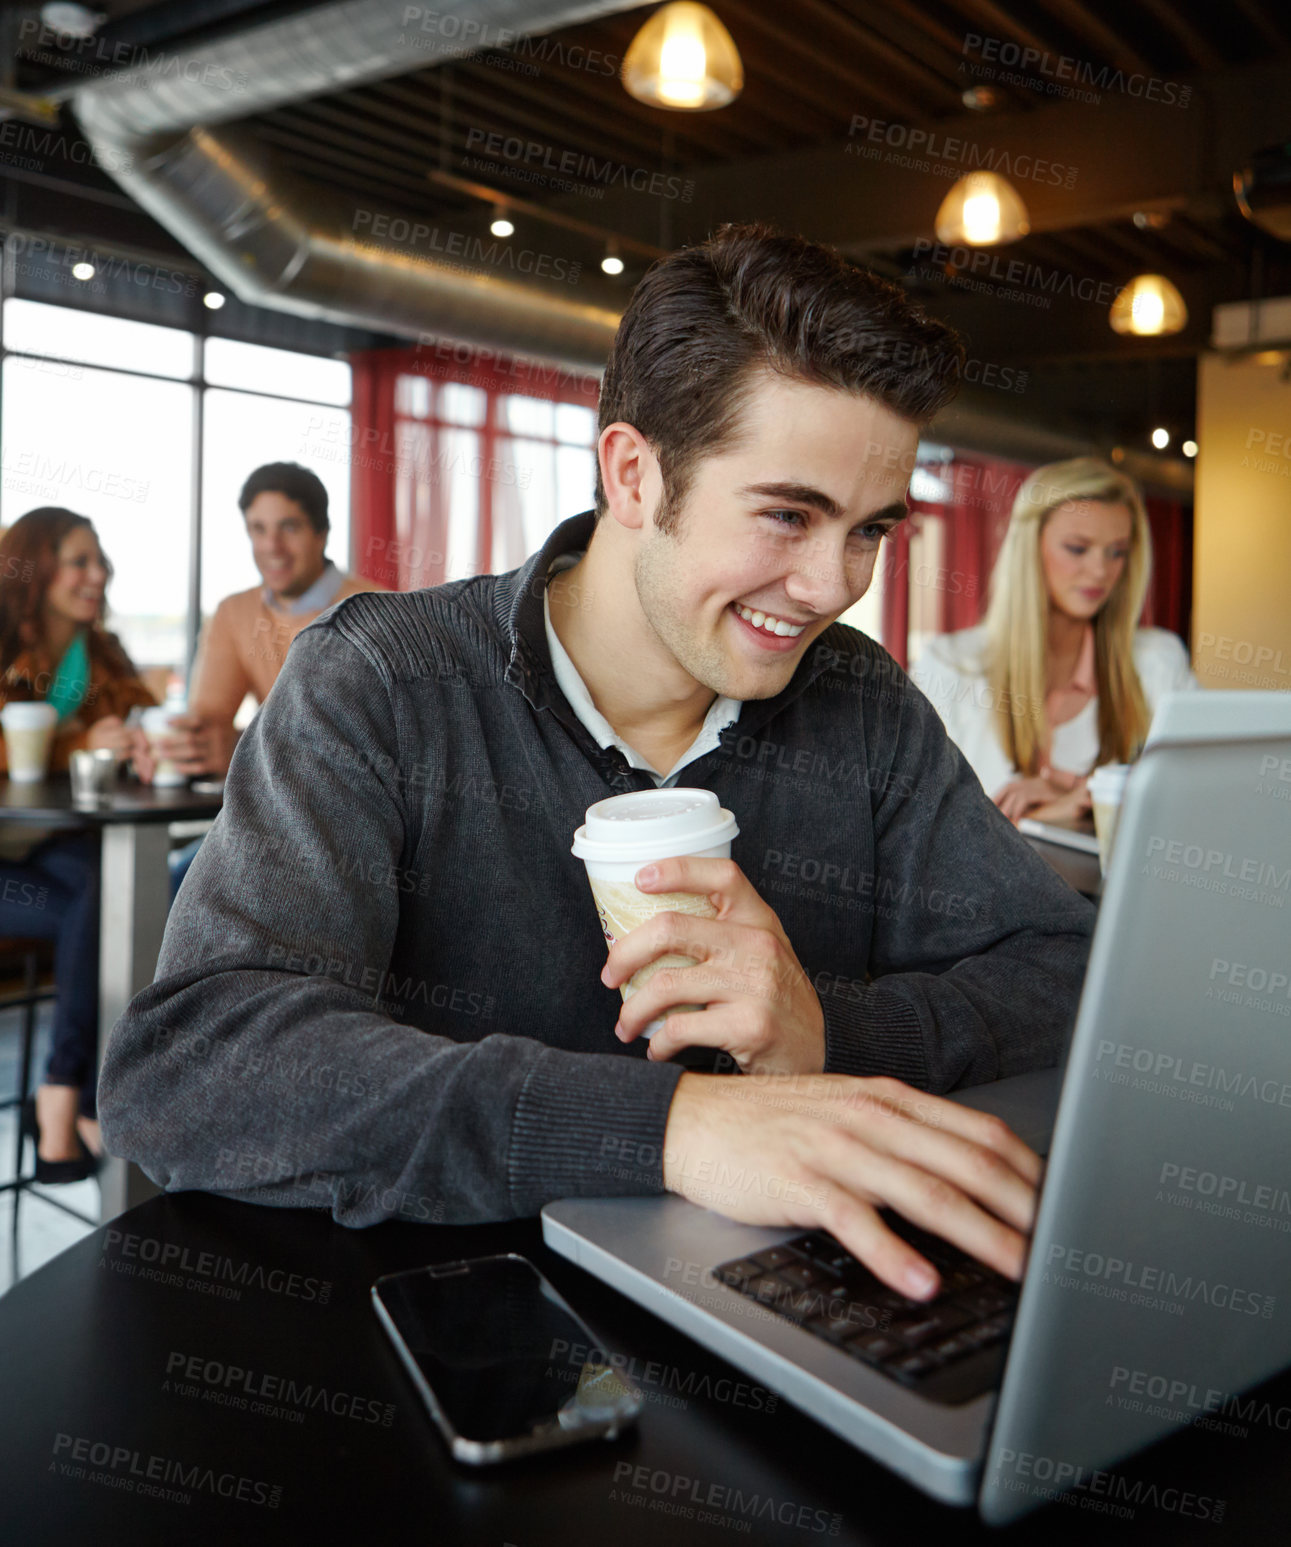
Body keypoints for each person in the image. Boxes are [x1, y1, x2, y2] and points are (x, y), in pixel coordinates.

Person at [101, 226, 1094, 1302]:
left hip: (778, 1331)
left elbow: (1064, 973)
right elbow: (196, 1067)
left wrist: (826, 1032)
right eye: (786, 515)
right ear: (632, 472)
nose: (827, 584)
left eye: (868, 531)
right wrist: (672, 1125)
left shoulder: (858, 704)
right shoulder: (381, 682)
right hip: (435, 1344)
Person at [910, 458, 1197, 825]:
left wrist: (1082, 797)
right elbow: (917, 825)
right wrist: (1046, 817)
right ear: (1030, 548)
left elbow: (1201, 795)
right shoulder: (949, 666)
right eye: (1078, 548)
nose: (1100, 571)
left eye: (1117, 552)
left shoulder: (1157, 661)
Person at [0, 507, 155, 1180]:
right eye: (79, 560)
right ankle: (78, 1096)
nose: (99, 574)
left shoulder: (100, 656)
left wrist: (146, 741)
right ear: (37, 570)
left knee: (111, 887)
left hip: (50, 855)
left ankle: (64, 1094)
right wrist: (76, 744)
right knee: (105, 903)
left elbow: (143, 715)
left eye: (100, 561)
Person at [153, 461, 381, 781]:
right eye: (258, 529)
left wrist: (241, 747)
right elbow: (208, 723)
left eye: (289, 527)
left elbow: (374, 743)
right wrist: (189, 744)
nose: (272, 547)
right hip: (277, 802)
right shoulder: (234, 613)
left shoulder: (378, 609)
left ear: (322, 533)